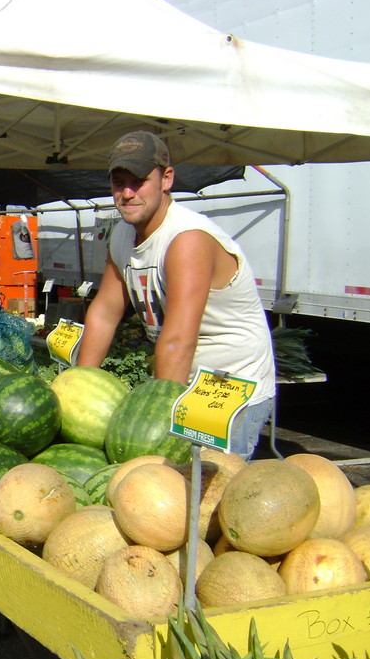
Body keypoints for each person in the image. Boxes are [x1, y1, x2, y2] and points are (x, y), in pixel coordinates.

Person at [78, 131, 275, 459]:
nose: (127, 193)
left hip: (228, 390)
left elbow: (178, 340)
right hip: (182, 385)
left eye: (138, 181)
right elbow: (104, 313)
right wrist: (79, 387)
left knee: (206, 497)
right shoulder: (122, 235)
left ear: (166, 179)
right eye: (118, 183)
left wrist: (156, 421)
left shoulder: (187, 238)